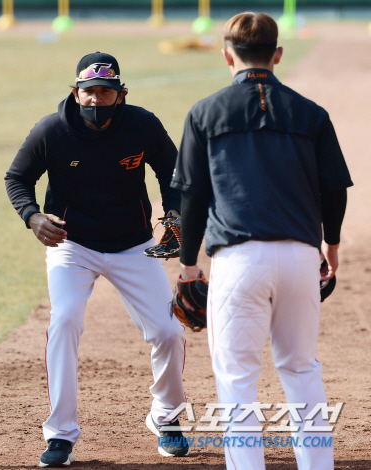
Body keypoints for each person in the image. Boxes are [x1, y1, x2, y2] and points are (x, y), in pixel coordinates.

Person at [171, 12, 352, 470]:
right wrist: (330, 247)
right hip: (300, 257)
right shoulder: (311, 113)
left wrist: (188, 265)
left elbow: (192, 195)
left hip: (238, 260)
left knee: (237, 378)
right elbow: (334, 189)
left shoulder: (205, 112)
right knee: (302, 368)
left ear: (226, 55)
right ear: (277, 54)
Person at [5, 52, 189, 467]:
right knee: (65, 321)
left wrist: (174, 214)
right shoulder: (52, 131)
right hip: (72, 245)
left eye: (105, 92)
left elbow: (173, 172)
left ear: (121, 95)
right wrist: (32, 216)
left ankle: (167, 417)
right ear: (75, 93)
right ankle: (60, 435)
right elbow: (17, 178)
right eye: (88, 92)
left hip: (134, 244)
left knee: (168, 330)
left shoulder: (142, 125)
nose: (95, 100)